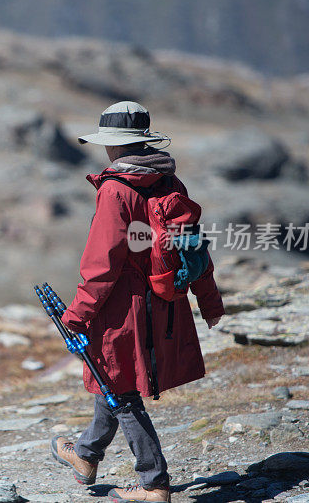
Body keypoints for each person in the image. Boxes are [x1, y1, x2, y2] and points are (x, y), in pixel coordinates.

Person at [49, 101, 225, 503]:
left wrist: (76, 314)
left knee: (119, 388)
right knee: (113, 378)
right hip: (164, 305)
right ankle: (86, 456)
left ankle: (153, 483)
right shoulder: (171, 184)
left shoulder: (115, 190)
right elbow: (194, 250)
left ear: (115, 146)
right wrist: (209, 302)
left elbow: (102, 265)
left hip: (122, 309)